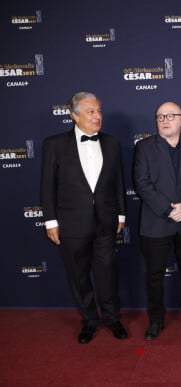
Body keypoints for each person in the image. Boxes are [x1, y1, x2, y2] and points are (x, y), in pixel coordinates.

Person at [40, 91, 128, 344]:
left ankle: (112, 318)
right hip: (71, 224)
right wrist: (51, 221)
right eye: (91, 111)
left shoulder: (111, 143)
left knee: (107, 273)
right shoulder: (54, 144)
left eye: (99, 111)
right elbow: (48, 187)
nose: (97, 116)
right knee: (78, 276)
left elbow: (118, 182)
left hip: (106, 221)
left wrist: (121, 214)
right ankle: (89, 321)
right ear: (74, 115)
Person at [133, 102, 181, 341]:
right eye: (160, 117)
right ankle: (156, 320)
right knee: (154, 275)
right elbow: (142, 183)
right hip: (156, 221)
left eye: (170, 116)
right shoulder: (144, 147)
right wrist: (168, 210)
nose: (165, 120)